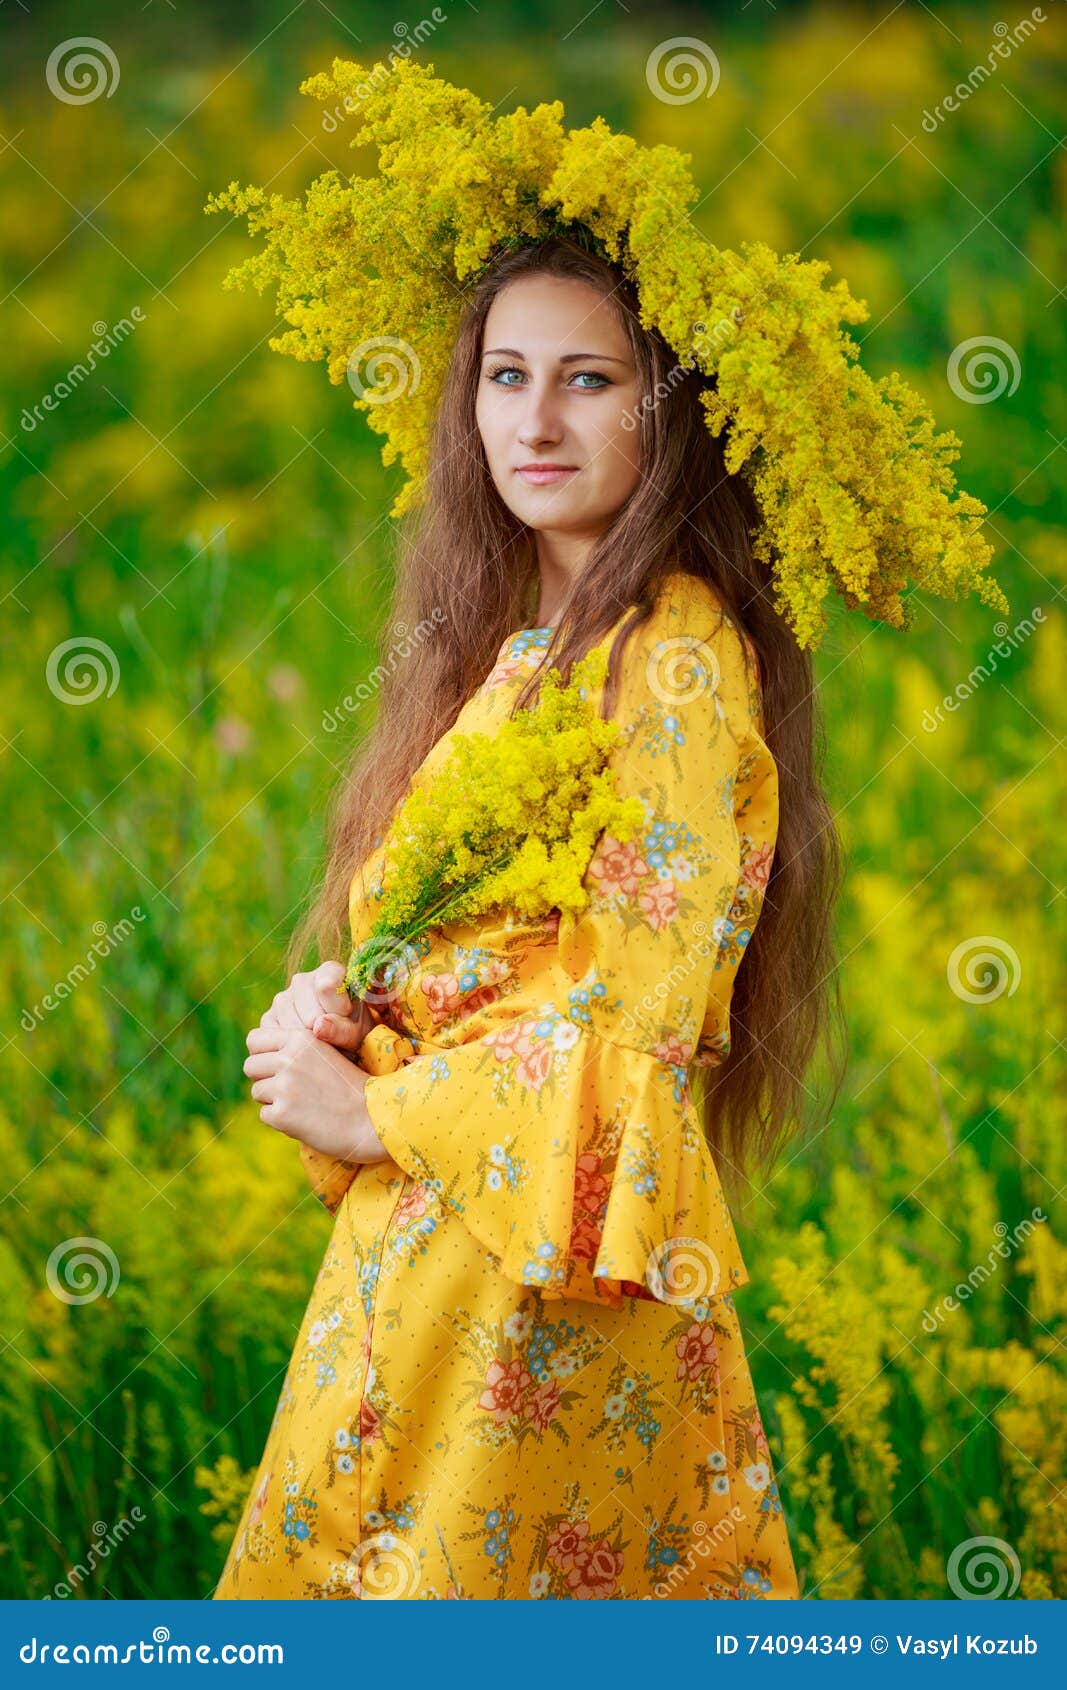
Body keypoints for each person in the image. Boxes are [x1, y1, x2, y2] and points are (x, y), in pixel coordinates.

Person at [210, 234, 847, 1600]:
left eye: (590, 379)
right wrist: (349, 1003)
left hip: (535, 1308)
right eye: (505, 374)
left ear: (671, 420)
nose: (536, 420)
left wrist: (374, 1113)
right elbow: (495, 965)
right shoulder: (521, 648)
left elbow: (641, 1030)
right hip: (442, 1266)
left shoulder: (667, 657)